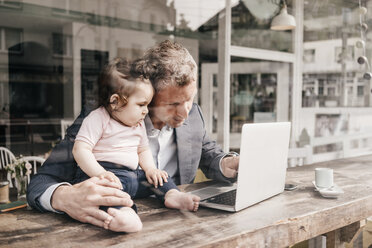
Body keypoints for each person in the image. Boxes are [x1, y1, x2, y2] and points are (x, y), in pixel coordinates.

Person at [27, 40, 239, 229]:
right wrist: (64, 197)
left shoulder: (193, 114)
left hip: (183, 227)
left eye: (190, 98)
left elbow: (209, 154)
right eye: (173, 103)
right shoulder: (104, 117)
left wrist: (228, 163)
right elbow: (40, 183)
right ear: (148, 96)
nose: (185, 111)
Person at [72, 58, 199, 232]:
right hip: (105, 175)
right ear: (115, 101)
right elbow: (81, 150)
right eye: (141, 104)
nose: (146, 111)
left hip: (131, 175)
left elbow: (143, 149)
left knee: (160, 177)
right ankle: (123, 214)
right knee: (107, 195)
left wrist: (150, 169)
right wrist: (101, 174)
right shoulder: (98, 118)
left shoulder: (137, 124)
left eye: (147, 104)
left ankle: (172, 195)